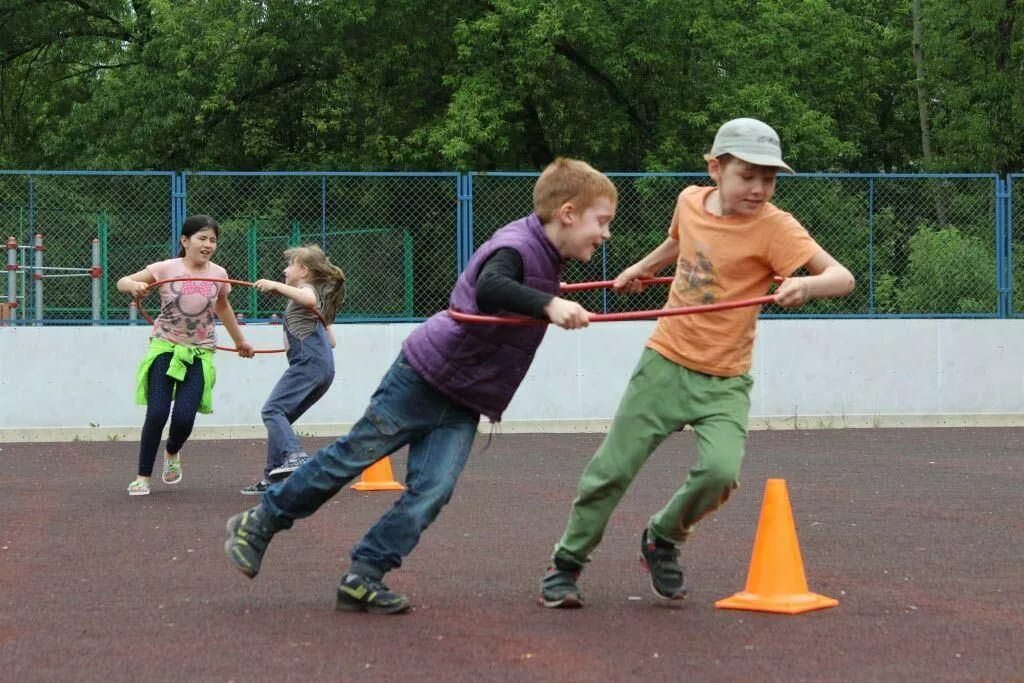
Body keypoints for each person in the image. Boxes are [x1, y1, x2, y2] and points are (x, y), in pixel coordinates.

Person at [224, 157, 617, 614]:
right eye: (602, 222)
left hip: (465, 396)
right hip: (423, 378)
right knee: (350, 457)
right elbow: (491, 288)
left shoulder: (545, 255)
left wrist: (577, 289)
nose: (606, 234)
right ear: (567, 213)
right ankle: (260, 522)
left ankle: (363, 575)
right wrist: (549, 304)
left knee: (432, 490)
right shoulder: (515, 246)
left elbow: (517, 289)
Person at [539, 118, 856, 608]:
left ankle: (662, 537)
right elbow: (679, 242)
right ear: (716, 168)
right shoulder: (689, 201)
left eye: (768, 179)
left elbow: (842, 277)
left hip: (725, 378)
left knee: (720, 473)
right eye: (747, 175)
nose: (758, 188)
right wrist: (643, 269)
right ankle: (566, 565)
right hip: (666, 361)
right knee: (612, 469)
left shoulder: (777, 227)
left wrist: (805, 285)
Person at [117, 214, 255, 497]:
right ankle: (142, 476)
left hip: (200, 351)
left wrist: (241, 341)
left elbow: (223, 308)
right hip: (165, 346)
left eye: (213, 240)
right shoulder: (166, 268)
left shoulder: (218, 273)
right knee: (156, 413)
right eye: (201, 238)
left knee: (184, 417)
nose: (208, 245)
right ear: (185, 240)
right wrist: (133, 286)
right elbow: (123, 281)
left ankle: (172, 451)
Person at [240, 244, 346, 496]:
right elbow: (331, 342)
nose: (284, 269)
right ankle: (272, 478)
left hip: (308, 364)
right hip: (322, 368)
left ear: (304, 270)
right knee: (280, 417)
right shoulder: (310, 300)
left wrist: (275, 286)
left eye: (290, 265)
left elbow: (307, 298)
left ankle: (296, 456)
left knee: (272, 410)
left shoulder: (307, 291)